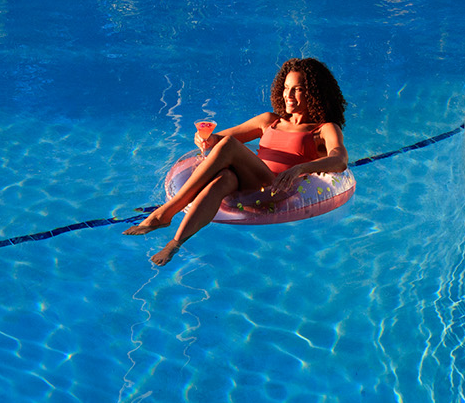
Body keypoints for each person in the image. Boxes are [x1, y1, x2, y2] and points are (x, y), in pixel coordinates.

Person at [125, 57, 348, 266]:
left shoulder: (323, 129)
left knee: (230, 145)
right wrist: (205, 139)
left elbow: (339, 159)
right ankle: (175, 243)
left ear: (315, 93)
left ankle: (165, 213)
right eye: (286, 88)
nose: (288, 95)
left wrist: (301, 167)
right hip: (250, 181)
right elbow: (217, 139)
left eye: (298, 89)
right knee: (223, 178)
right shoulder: (269, 120)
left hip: (275, 187)